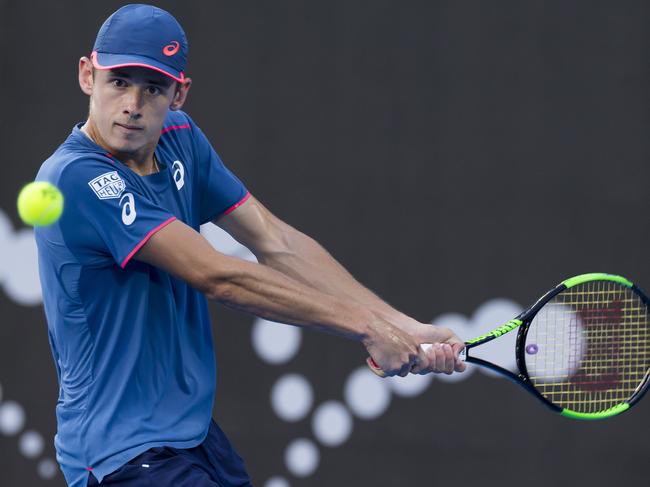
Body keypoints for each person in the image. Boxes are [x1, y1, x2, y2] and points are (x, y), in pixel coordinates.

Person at [34, 4, 466, 486]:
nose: (133, 103)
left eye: (152, 87)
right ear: (87, 76)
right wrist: (367, 328)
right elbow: (218, 277)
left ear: (179, 93)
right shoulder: (76, 178)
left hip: (192, 437)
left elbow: (274, 240)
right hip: (121, 453)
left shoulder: (180, 139)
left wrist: (403, 327)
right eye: (119, 81)